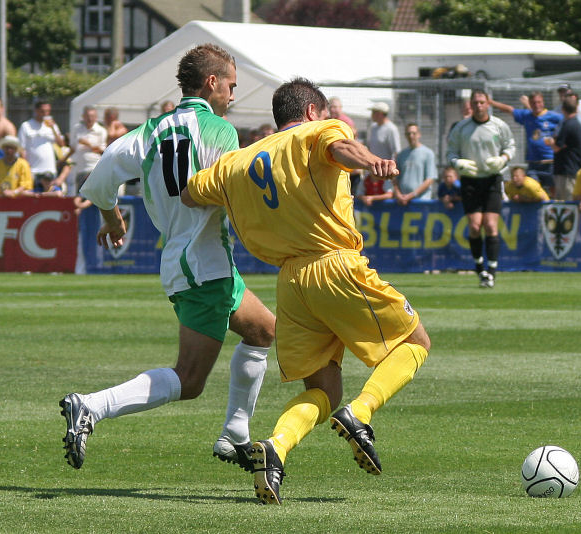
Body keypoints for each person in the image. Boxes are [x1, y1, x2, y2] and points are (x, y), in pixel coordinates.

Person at [181, 77, 432, 506]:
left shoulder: (235, 163)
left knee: (324, 388)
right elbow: (341, 149)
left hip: (291, 284)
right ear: (313, 111)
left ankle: (276, 447)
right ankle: (362, 413)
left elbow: (189, 193)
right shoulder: (320, 130)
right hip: (333, 264)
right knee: (415, 342)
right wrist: (371, 160)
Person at [59, 44, 276, 477]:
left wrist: (112, 216)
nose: (233, 95)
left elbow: (99, 178)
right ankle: (91, 407)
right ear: (212, 82)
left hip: (193, 260)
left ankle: (235, 431)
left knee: (263, 329)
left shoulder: (152, 129)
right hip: (204, 263)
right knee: (190, 381)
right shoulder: (220, 131)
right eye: (231, 85)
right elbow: (226, 192)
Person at [447, 89, 515, 288]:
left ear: (488, 104)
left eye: (482, 102)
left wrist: (504, 158)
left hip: (492, 179)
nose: (478, 106)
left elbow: (511, 146)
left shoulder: (499, 126)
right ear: (471, 104)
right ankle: (480, 268)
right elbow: (450, 152)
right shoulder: (461, 128)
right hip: (470, 180)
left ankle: (491, 271)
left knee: (491, 225)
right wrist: (457, 163)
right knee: (475, 227)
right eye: (475, 102)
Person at [488, 91, 562, 195]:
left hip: (550, 162)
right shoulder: (527, 116)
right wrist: (491, 102)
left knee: (554, 191)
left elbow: (567, 125)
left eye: (539, 102)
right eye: (533, 103)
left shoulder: (554, 116)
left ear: (543, 102)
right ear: (530, 104)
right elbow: (509, 109)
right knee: (532, 190)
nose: (536, 105)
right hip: (533, 163)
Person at [18, 101, 65, 192]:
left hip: (50, 170)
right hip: (33, 171)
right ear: (36, 110)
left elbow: (61, 144)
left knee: (50, 200)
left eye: (47, 111)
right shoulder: (26, 126)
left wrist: (52, 128)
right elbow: (21, 149)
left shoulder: (52, 126)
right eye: (42, 111)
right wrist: (26, 168)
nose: (45, 114)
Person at [546, 98, 581, 201]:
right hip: (572, 168)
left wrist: (550, 141)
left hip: (567, 171)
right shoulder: (576, 124)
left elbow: (557, 148)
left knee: (566, 201)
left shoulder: (568, 125)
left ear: (563, 109)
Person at [65, 106, 107, 195]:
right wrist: (63, 160)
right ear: (83, 117)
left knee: (92, 195)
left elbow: (102, 151)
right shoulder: (77, 128)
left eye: (92, 116)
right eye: (88, 116)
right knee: (80, 194)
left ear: (96, 118)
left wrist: (89, 144)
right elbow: (73, 147)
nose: (90, 119)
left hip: (93, 168)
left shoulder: (101, 131)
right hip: (79, 169)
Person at [393, 123, 437, 205]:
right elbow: (395, 179)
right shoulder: (401, 155)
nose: (411, 136)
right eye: (408, 133)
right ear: (405, 135)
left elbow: (430, 179)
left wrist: (412, 195)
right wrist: (398, 194)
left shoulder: (428, 153)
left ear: (419, 134)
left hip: (421, 201)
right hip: (402, 201)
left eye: (414, 133)